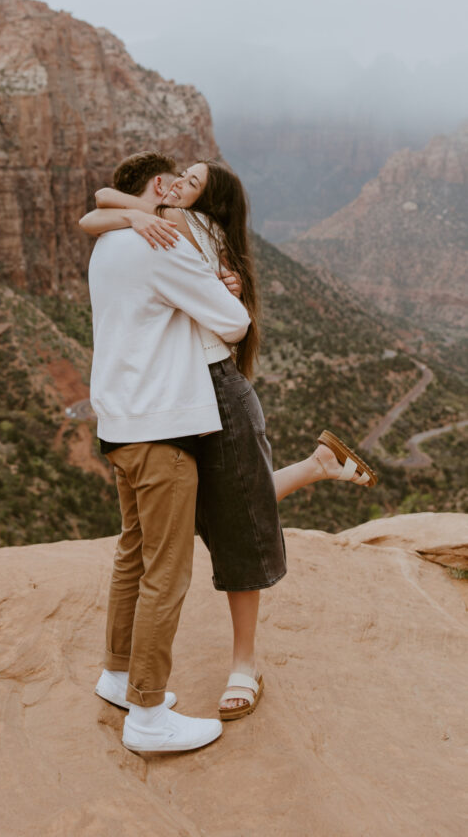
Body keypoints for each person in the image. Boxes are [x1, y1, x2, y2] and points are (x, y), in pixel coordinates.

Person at [81, 152, 378, 720]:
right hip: (178, 397)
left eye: (195, 181)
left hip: (214, 387)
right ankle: (319, 463)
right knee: (220, 511)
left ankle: (243, 664)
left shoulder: (191, 229)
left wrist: (142, 217)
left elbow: (100, 210)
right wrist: (138, 214)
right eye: (178, 177)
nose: (182, 184)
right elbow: (96, 211)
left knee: (238, 524)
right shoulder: (155, 225)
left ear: (207, 199)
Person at [87, 155, 251, 753]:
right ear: (158, 189)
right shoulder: (162, 242)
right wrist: (213, 289)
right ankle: (148, 715)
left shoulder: (109, 244)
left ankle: (117, 676)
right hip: (162, 430)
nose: (180, 186)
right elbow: (233, 323)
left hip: (118, 426)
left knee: (133, 556)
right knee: (167, 573)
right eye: (174, 179)